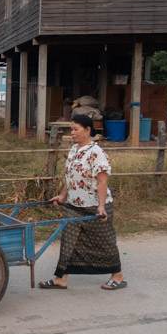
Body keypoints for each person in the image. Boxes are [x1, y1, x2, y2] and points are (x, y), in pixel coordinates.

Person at [39, 114, 127, 291]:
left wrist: (101, 207)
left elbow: (102, 181)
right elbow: (71, 177)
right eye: (71, 129)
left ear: (87, 130)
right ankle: (60, 278)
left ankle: (117, 276)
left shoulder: (96, 153)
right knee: (68, 240)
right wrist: (63, 196)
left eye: (75, 129)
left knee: (105, 241)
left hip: (95, 206)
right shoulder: (74, 150)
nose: (72, 133)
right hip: (74, 205)